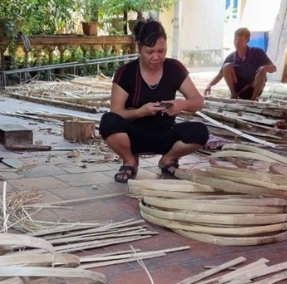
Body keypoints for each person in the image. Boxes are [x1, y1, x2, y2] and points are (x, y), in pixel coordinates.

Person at [99, 19, 208, 183]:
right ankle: (130, 161)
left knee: (200, 131)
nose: (156, 57)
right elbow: (116, 112)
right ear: (139, 48)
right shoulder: (126, 72)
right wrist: (140, 111)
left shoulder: (174, 68)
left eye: (162, 51)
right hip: (134, 136)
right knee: (108, 122)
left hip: (165, 134)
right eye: (150, 52)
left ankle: (167, 160)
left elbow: (198, 101)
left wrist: (181, 104)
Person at [204, 27, 277, 101]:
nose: (237, 42)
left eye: (240, 39)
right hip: (239, 90)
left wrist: (265, 68)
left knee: (262, 70)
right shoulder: (231, 57)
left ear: (247, 40)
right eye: (235, 39)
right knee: (226, 66)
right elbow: (220, 75)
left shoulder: (258, 52)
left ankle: (253, 99)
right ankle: (234, 95)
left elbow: (274, 68)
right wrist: (209, 85)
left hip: (253, 87)